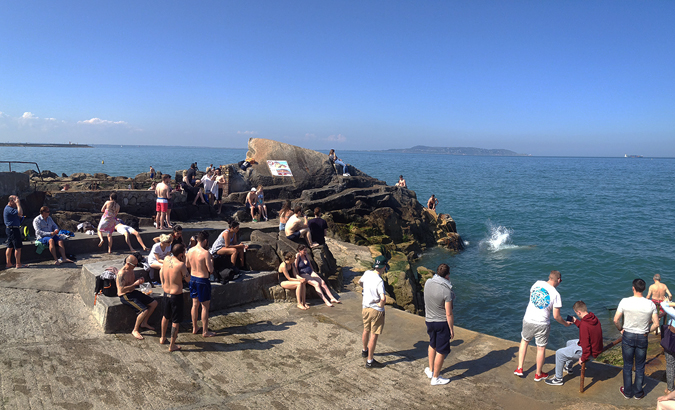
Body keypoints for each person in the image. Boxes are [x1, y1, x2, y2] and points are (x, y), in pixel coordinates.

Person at [514, 270, 570, 381]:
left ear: (549, 277)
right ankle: (538, 374)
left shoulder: (537, 284)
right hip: (542, 323)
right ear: (558, 280)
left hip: (528, 319)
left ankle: (520, 368)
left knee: (524, 341)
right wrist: (565, 324)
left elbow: (532, 298)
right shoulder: (556, 294)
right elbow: (556, 316)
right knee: (540, 348)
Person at [614, 278, 659, 399]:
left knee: (627, 365)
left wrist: (621, 330)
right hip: (642, 337)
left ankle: (627, 392)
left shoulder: (625, 301)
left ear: (633, 288)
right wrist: (646, 331)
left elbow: (616, 320)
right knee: (640, 366)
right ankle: (638, 393)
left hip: (628, 335)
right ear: (644, 289)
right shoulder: (650, 304)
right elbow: (656, 324)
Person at [545, 300, 603, 386]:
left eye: (576, 313)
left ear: (579, 312)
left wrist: (583, 358)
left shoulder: (584, 325)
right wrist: (576, 321)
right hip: (596, 347)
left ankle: (558, 379)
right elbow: (587, 329)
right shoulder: (593, 318)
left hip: (590, 352)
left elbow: (586, 346)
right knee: (569, 342)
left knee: (559, 353)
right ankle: (569, 368)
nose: (576, 314)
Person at [423, 263, 455, 385]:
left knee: (432, 344)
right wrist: (451, 329)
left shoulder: (428, 282)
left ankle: (431, 370)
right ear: (447, 276)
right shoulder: (446, 290)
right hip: (441, 323)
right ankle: (435, 378)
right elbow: (449, 313)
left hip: (429, 320)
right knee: (441, 351)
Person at [117, 253, 158, 340]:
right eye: (134, 265)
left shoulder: (131, 270)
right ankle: (135, 330)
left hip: (133, 292)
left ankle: (144, 323)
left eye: (136, 264)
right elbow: (122, 290)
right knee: (144, 310)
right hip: (125, 295)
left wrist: (139, 281)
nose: (136, 266)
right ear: (128, 264)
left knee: (154, 303)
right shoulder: (121, 274)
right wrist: (135, 284)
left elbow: (132, 283)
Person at [159, 244, 189, 352]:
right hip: (176, 295)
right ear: (181, 254)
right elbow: (188, 279)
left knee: (165, 316)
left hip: (166, 293)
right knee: (175, 320)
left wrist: (162, 282)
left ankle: (162, 337)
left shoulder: (166, 259)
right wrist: (185, 262)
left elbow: (161, 271)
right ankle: (172, 345)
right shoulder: (181, 265)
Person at [359, 255, 388, 368]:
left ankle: (364, 350)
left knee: (366, 329)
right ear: (384, 267)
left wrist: (366, 291)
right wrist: (380, 305)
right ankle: (370, 361)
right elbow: (383, 298)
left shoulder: (367, 273)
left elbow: (360, 283)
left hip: (365, 307)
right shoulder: (379, 281)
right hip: (376, 310)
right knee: (374, 334)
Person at [187, 231, 216, 338]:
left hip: (193, 278)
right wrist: (211, 261)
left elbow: (187, 264)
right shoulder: (205, 253)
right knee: (204, 307)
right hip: (203, 280)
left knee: (194, 304)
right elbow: (210, 270)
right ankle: (205, 331)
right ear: (205, 241)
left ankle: (194, 327)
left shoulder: (190, 250)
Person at [3, 195, 27, 269]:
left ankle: (8, 263)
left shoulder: (9, 209)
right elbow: (20, 213)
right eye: (15, 200)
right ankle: (18, 263)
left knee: (10, 246)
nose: (16, 202)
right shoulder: (9, 209)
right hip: (13, 229)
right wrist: (18, 204)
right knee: (18, 247)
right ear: (11, 201)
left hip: (10, 229)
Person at [662, 301, 675, 395]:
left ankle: (670, 389)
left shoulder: (674, 313)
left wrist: (672, 303)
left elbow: (663, 304)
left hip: (672, 339)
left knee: (670, 364)